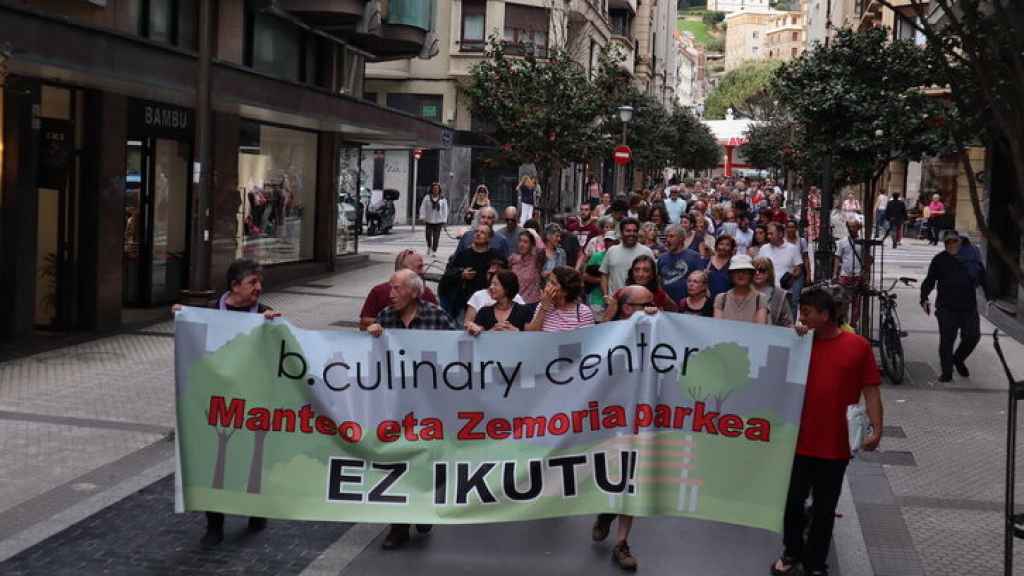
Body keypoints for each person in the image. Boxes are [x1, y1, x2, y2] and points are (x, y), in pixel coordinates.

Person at [772, 286, 883, 576]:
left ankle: (815, 562)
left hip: (835, 445)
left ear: (825, 314)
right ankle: (791, 551)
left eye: (807, 312)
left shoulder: (858, 346)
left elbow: (871, 390)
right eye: (801, 312)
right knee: (793, 503)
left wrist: (877, 428)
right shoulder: (799, 342)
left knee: (824, 508)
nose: (802, 317)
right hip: (797, 441)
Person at [180, 259, 281, 549]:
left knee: (253, 457)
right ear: (235, 286)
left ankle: (256, 509)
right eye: (253, 283)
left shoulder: (265, 315)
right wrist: (183, 317)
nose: (259, 288)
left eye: (260, 282)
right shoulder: (209, 312)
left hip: (253, 402)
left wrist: (277, 330)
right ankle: (214, 525)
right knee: (216, 461)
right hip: (216, 404)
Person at [367, 270, 456, 550]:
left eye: (396, 288)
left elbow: (460, 349)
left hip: (430, 406)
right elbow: (370, 361)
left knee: (427, 462)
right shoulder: (384, 318)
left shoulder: (436, 316)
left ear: (414, 292)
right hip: (396, 406)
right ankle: (398, 526)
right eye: (389, 288)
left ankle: (423, 505)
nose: (390, 293)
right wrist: (371, 337)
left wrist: (473, 332)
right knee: (398, 461)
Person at [591, 284, 659, 570]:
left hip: (640, 418)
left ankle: (622, 543)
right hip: (607, 419)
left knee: (633, 477)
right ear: (628, 308)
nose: (650, 309)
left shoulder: (657, 328)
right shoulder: (611, 330)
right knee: (611, 473)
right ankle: (607, 511)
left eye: (651, 304)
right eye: (644, 305)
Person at [920, 230, 991, 382]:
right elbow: (930, 280)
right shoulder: (939, 260)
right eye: (947, 242)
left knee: (973, 336)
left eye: (953, 241)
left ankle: (958, 359)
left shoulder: (971, 259)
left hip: (968, 307)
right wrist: (924, 298)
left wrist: (989, 297)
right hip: (946, 307)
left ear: (959, 241)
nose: (950, 244)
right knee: (947, 340)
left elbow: (983, 277)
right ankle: (947, 372)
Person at [359, 249, 438, 330]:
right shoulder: (379, 293)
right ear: (403, 270)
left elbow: (442, 325)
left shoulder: (426, 293)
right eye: (419, 267)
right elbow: (364, 325)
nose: (423, 271)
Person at [440, 225, 501, 319]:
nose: (478, 234)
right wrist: (461, 274)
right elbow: (448, 274)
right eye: (476, 232)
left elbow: (505, 277)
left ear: (489, 238)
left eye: (482, 232)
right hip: (465, 304)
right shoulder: (463, 254)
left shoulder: (496, 255)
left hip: (489, 303)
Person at [603, 254, 678, 320]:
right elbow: (605, 322)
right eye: (636, 270)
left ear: (652, 274)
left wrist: (658, 313)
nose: (640, 274)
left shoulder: (659, 294)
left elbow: (674, 310)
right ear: (632, 272)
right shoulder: (621, 293)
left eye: (646, 270)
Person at [526, 266, 595, 332]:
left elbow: (586, 340)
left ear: (565, 291)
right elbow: (532, 334)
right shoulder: (543, 306)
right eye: (548, 281)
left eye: (553, 283)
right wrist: (543, 308)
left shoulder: (583, 313)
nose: (547, 285)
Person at [463, 257, 527, 325]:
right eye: (490, 273)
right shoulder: (479, 299)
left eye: (496, 273)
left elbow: (528, 327)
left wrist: (516, 331)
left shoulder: (517, 300)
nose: (492, 276)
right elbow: (468, 323)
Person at [465, 270, 533, 334]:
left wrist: (516, 332)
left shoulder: (524, 311)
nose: (491, 287)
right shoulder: (484, 312)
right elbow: (478, 339)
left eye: (495, 284)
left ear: (507, 288)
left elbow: (531, 338)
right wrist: (492, 332)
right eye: (491, 284)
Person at [600, 218, 654, 298]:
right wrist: (605, 295)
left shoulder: (646, 251)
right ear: (621, 233)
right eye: (628, 231)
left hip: (640, 301)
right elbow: (604, 275)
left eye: (634, 231)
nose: (631, 234)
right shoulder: (612, 251)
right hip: (615, 301)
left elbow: (654, 277)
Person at [833, 220, 868, 331]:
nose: (852, 229)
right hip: (845, 276)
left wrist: (866, 272)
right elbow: (837, 258)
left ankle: (853, 325)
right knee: (843, 302)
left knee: (856, 304)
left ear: (858, 228)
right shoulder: (842, 242)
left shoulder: (863, 243)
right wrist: (835, 274)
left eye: (854, 227)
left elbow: (867, 259)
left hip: (858, 276)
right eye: (850, 227)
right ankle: (844, 325)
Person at [658, 224, 706, 304]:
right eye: (667, 237)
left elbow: (701, 281)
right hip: (666, 304)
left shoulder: (694, 257)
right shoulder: (662, 258)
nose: (668, 240)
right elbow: (658, 281)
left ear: (681, 239)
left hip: (686, 305)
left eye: (671, 236)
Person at [713, 254, 768, 324]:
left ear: (751, 274)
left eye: (745, 271)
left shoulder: (760, 298)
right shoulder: (721, 299)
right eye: (737, 271)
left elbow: (760, 327)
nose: (741, 274)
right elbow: (718, 326)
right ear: (731, 274)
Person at [582, 232, 619, 320]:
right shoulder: (596, 256)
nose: (608, 243)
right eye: (606, 241)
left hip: (616, 300)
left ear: (617, 242)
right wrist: (603, 280)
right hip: (597, 299)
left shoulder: (621, 256)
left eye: (611, 241)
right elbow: (585, 276)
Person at [758, 222, 803, 290]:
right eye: (768, 234)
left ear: (780, 234)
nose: (768, 236)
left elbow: (798, 269)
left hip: (786, 292)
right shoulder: (763, 249)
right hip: (767, 290)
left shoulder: (793, 249)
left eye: (771, 234)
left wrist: (791, 277)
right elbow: (758, 268)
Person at [752, 256, 794, 327]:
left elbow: (788, 323)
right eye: (754, 270)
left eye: (762, 270)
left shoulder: (779, 294)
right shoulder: (744, 290)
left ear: (769, 272)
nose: (757, 273)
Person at [784, 219, 811, 320]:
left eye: (792, 227)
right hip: (786, 274)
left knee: (795, 300)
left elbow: (805, 258)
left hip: (798, 274)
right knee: (785, 299)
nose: (790, 229)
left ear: (796, 228)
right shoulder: (783, 241)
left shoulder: (802, 241)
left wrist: (808, 274)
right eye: (788, 227)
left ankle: (792, 321)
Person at [509, 230, 545, 304]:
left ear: (532, 245)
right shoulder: (513, 258)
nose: (521, 244)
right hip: (515, 303)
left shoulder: (536, 260)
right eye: (520, 241)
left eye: (525, 242)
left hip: (532, 303)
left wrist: (532, 232)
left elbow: (542, 248)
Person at [418, 182, 448, 256]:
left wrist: (444, 221)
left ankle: (434, 251)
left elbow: (445, 210)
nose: (435, 190)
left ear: (439, 190)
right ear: (432, 189)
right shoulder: (427, 197)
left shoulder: (442, 198)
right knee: (428, 235)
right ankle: (429, 247)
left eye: (437, 188)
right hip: (429, 220)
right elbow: (423, 207)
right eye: (434, 188)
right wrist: (422, 216)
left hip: (438, 221)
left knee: (436, 237)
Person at [705, 235, 736, 302]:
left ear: (731, 248)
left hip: (726, 302)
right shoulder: (707, 261)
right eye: (721, 244)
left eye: (727, 245)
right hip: (706, 302)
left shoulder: (733, 264)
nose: (723, 247)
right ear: (716, 246)